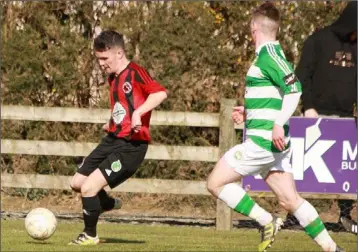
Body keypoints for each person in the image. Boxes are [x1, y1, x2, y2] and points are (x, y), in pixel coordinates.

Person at [206, 3, 344, 252]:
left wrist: (278, 124)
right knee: (290, 199)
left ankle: (265, 220)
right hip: (272, 146)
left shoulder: (269, 55)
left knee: (215, 183)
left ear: (253, 27)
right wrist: (249, 113)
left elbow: (295, 89)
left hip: (262, 144)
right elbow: (276, 94)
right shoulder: (269, 55)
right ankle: (332, 249)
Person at [68, 30, 167, 245]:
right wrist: (112, 123)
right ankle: (105, 204)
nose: (101, 63)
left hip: (131, 146)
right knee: (77, 182)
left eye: (104, 58)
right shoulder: (112, 78)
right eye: (98, 59)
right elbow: (122, 107)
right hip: (113, 139)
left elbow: (160, 93)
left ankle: (89, 236)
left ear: (119, 53)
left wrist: (139, 113)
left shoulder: (136, 72)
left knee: (89, 188)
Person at [285, 1, 357, 232]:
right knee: (305, 169)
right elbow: (301, 76)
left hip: (347, 119)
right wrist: (309, 106)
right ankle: (295, 214)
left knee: (347, 169)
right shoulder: (318, 41)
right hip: (315, 116)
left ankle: (345, 216)